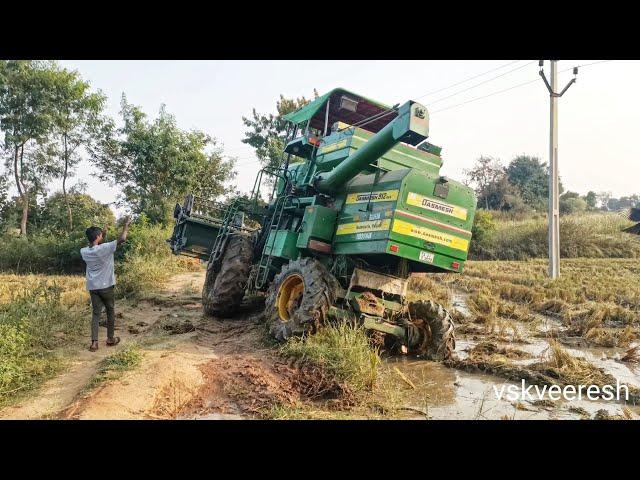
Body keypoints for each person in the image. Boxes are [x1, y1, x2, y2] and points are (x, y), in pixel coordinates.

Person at [80, 217, 133, 351]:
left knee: (96, 314)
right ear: (98, 237)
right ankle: (110, 339)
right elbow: (122, 239)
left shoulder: (84, 251)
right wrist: (126, 226)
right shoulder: (105, 248)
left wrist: (103, 232)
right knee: (110, 311)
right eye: (101, 235)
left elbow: (99, 245)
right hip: (106, 286)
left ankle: (94, 343)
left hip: (93, 287)